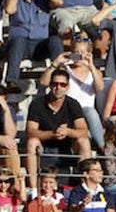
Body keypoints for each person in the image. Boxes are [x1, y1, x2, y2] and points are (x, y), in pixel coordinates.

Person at [25, 67, 92, 196]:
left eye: (62, 84)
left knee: (84, 142)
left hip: (67, 146)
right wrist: (52, 133)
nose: (58, 87)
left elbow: (83, 131)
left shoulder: (73, 104)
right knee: (32, 142)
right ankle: (33, 189)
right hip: (44, 146)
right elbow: (31, 131)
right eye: (55, 84)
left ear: (67, 86)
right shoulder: (37, 104)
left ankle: (84, 188)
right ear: (50, 85)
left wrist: (68, 132)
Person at [3, 0, 62, 91]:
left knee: (55, 40)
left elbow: (59, 2)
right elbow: (9, 9)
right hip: (19, 47)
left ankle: (60, 78)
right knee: (19, 41)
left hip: (40, 45)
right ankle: (11, 82)